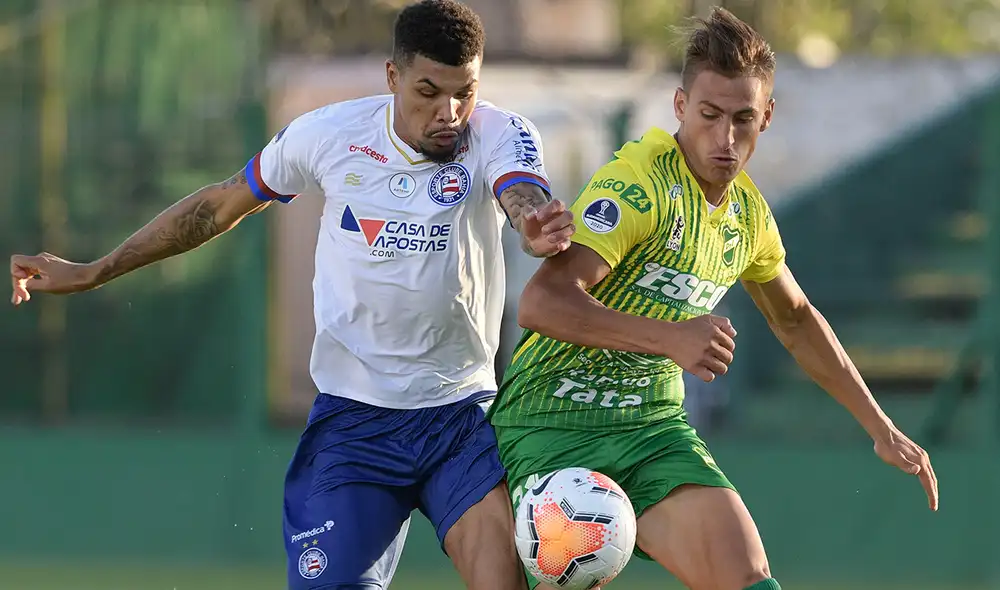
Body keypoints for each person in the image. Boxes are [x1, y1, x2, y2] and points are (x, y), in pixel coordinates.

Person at [9, 1, 574, 588]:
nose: (449, 113)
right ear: (392, 77)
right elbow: (216, 208)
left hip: (460, 417)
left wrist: (531, 221)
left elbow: (521, 191)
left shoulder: (499, 133)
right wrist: (97, 269)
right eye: (429, 91)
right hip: (355, 422)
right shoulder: (328, 135)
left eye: (465, 92)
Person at [488, 8, 938, 590]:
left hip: (651, 430)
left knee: (749, 578)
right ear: (680, 107)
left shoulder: (749, 217)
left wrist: (878, 425)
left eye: (743, 119)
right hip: (552, 425)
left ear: (767, 117)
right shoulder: (639, 184)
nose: (726, 139)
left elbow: (796, 319)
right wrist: (671, 338)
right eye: (709, 115)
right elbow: (542, 304)